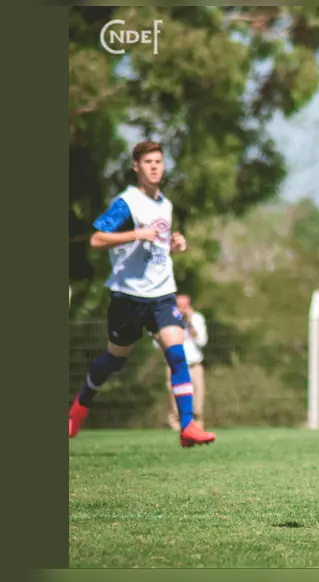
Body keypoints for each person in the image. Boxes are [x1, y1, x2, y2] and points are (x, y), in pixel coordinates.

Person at [68, 141, 217, 448]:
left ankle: (188, 426)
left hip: (163, 295)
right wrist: (137, 233)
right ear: (136, 167)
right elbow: (97, 239)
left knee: (177, 353)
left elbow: (156, 248)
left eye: (158, 161)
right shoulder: (127, 203)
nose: (154, 166)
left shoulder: (166, 205)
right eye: (148, 161)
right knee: (113, 360)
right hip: (128, 297)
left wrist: (173, 245)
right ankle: (78, 410)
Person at [154, 294, 209, 431]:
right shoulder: (168, 320)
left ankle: (197, 426)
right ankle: (177, 426)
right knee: (175, 399)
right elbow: (157, 344)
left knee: (198, 399)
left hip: (194, 364)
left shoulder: (197, 319)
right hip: (174, 365)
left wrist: (189, 322)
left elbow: (202, 341)